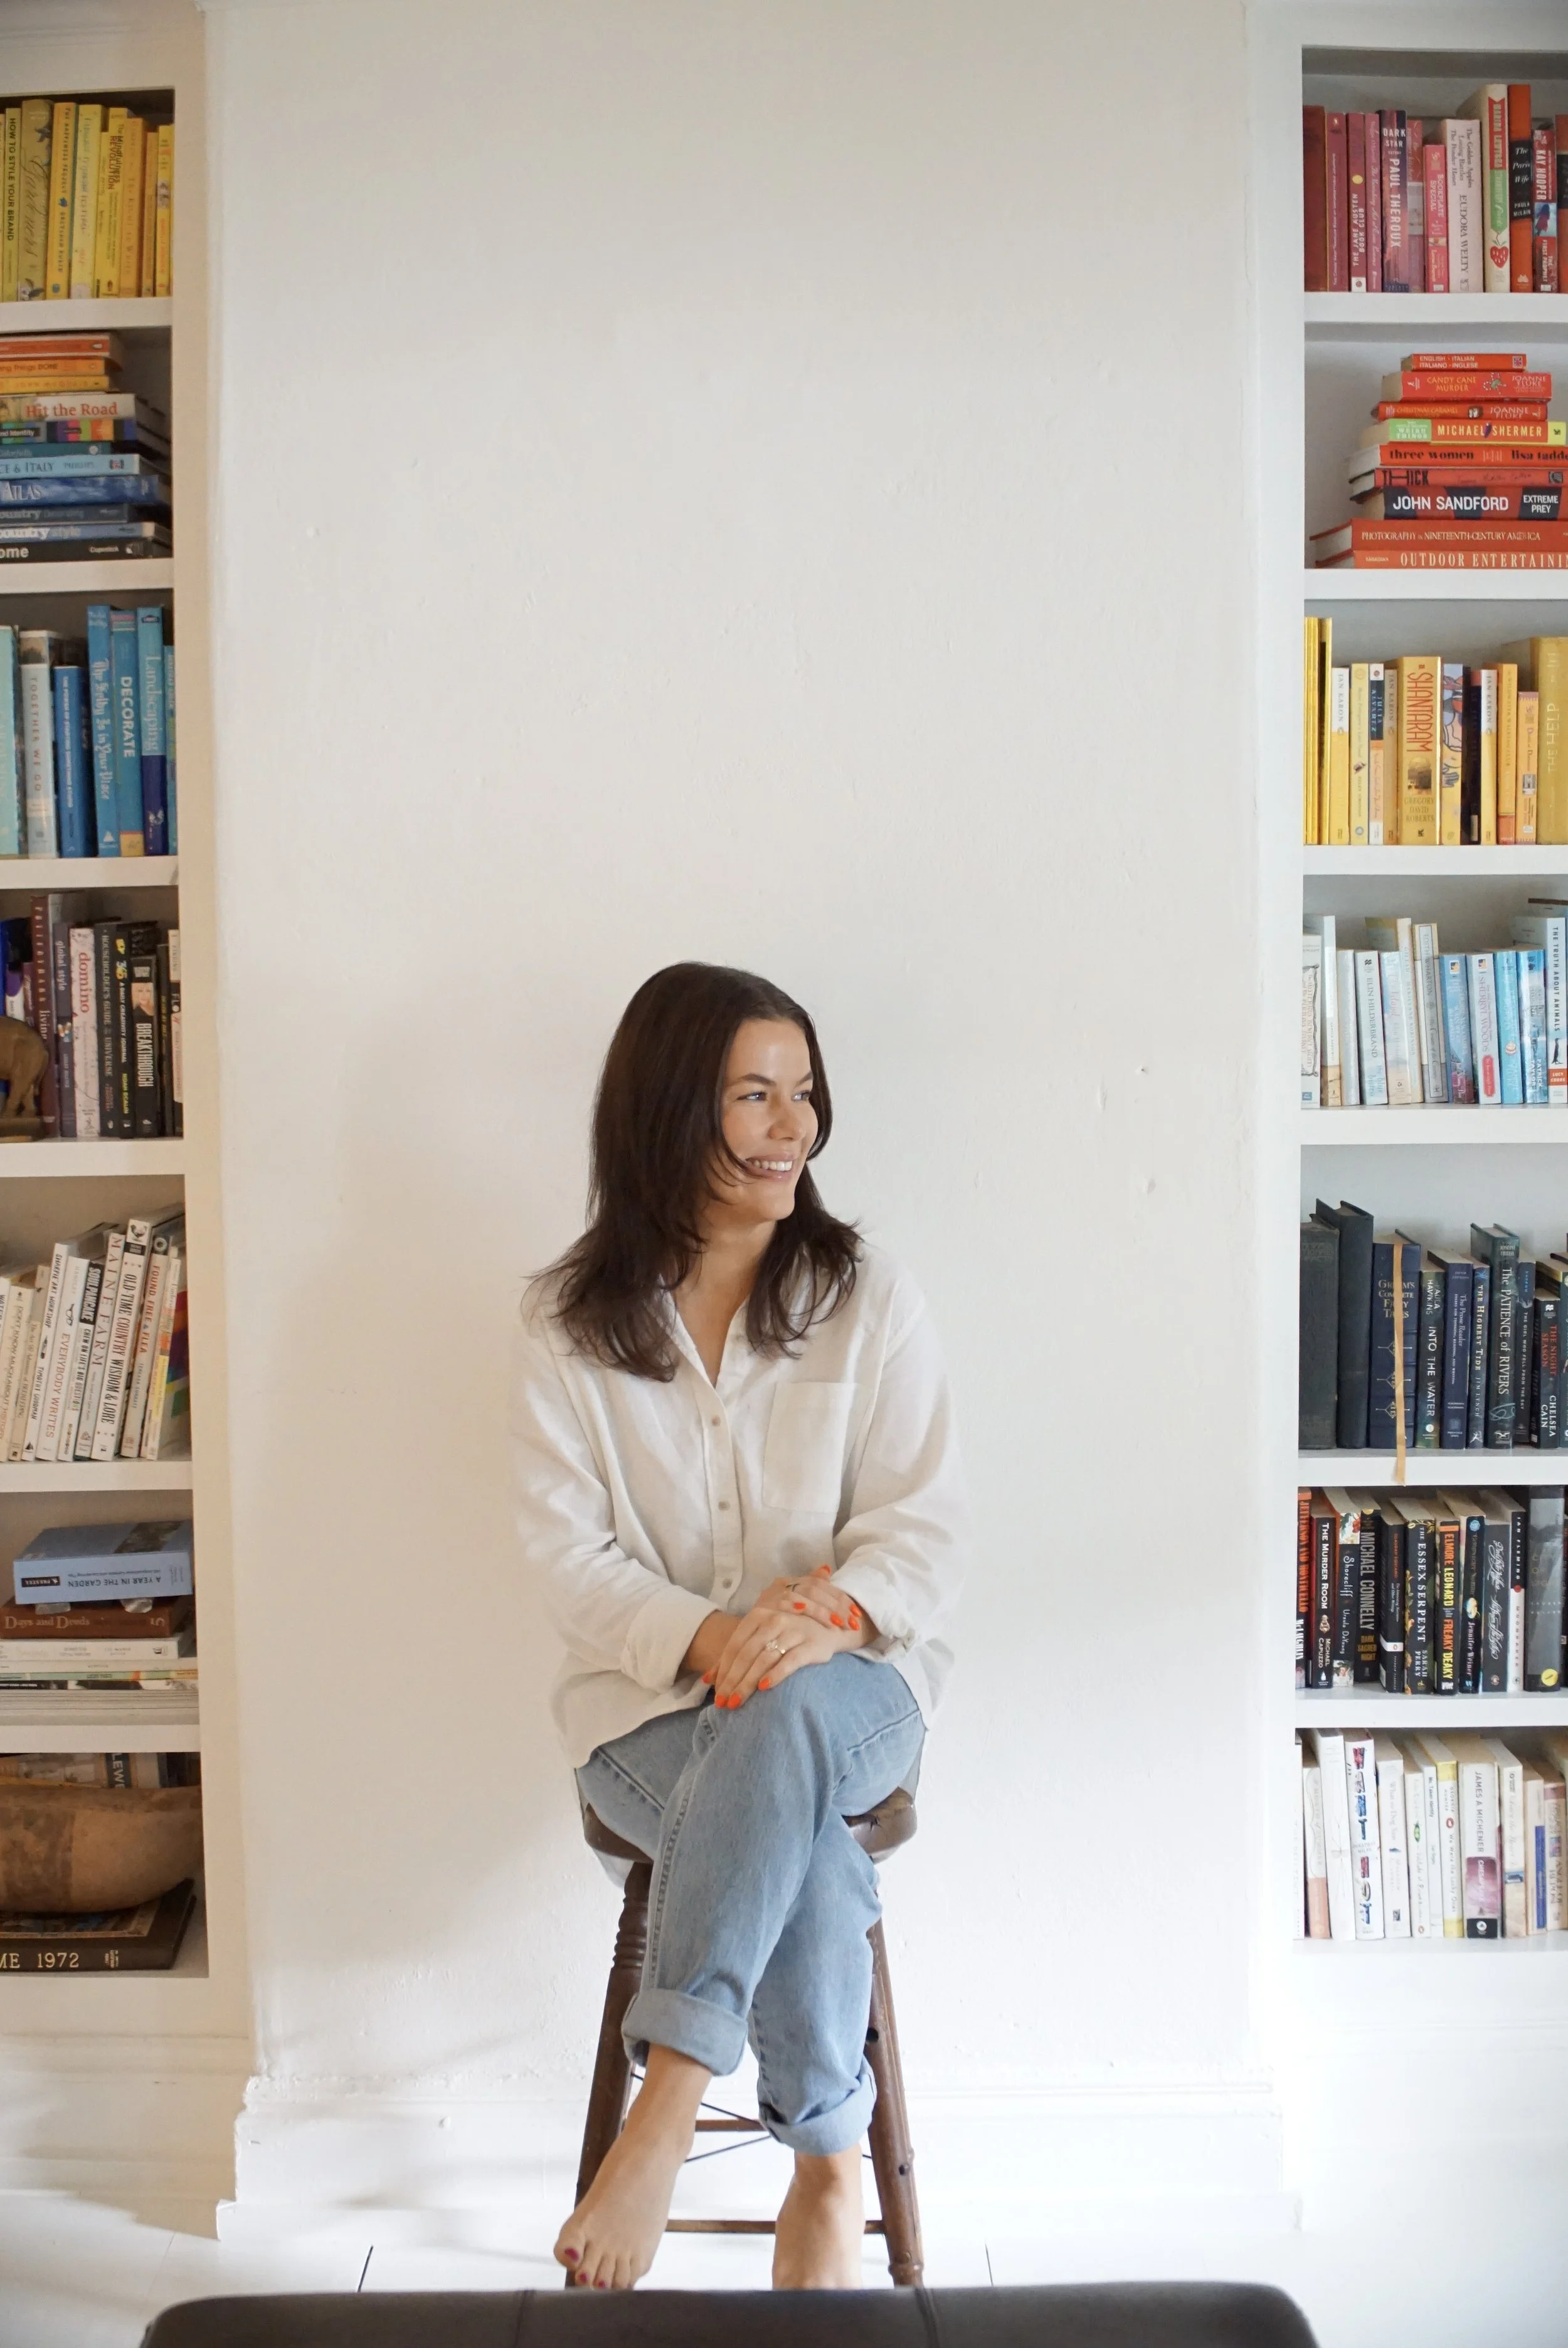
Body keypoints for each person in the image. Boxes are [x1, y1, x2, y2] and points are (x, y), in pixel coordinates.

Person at [512, 961, 965, 2292]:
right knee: (795, 1818)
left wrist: (814, 1617)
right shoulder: (563, 1324)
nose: (792, 1128)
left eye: (804, 1093)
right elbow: (565, 1559)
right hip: (642, 1718)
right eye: (753, 1095)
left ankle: (668, 2107)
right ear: (664, 1110)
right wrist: (716, 1642)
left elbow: (923, 1530)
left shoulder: (867, 1296)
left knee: (786, 1720)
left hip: (858, 1687)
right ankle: (827, 2155)